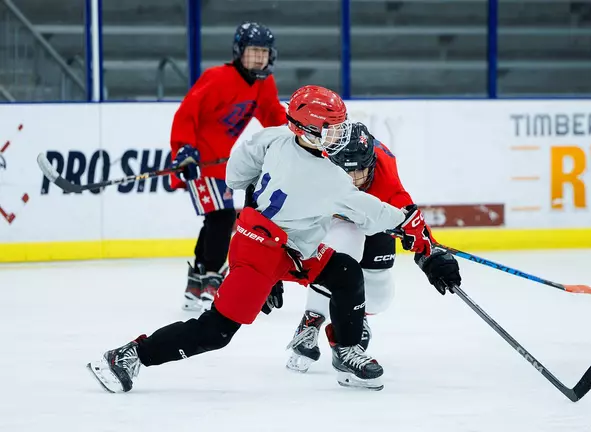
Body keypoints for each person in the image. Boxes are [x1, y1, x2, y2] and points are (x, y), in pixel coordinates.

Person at [86, 85, 438, 393]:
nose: (339, 136)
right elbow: (377, 215)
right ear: (306, 130)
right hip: (261, 253)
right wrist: (413, 229)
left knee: (345, 272)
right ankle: (130, 355)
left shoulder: (273, 137)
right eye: (331, 129)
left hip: (287, 244)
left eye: (340, 126)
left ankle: (346, 351)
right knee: (216, 331)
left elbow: (236, 176)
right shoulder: (328, 179)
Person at [285, 122, 462, 373]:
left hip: (372, 214)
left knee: (379, 297)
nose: (355, 180)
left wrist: (431, 254)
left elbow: (411, 221)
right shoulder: (315, 164)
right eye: (347, 172)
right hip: (332, 218)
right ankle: (312, 320)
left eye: (361, 170)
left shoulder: (385, 175)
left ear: (372, 163)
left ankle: (359, 316)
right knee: (343, 252)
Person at [169, 22, 287, 312]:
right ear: (239, 52)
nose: (259, 58)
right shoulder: (217, 77)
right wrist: (184, 149)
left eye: (264, 52)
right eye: (253, 51)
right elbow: (187, 112)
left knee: (216, 218)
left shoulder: (264, 83)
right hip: (198, 161)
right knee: (222, 218)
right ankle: (212, 276)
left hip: (221, 165)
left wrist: (294, 137)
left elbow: (273, 115)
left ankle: (197, 280)